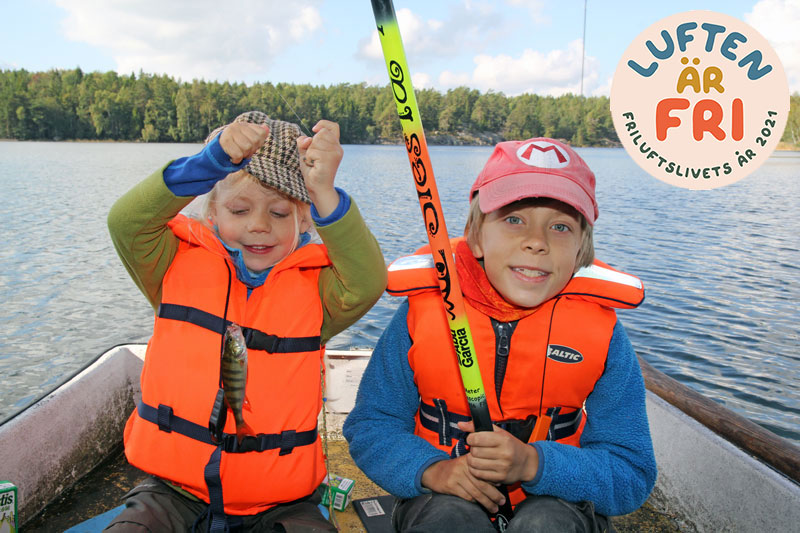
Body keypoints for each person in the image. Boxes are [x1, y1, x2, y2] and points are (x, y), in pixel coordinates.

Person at [343, 137, 657, 532]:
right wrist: (432, 471)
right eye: (513, 218)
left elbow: (631, 472)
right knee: (448, 519)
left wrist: (533, 464)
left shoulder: (604, 333)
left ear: (581, 250)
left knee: (547, 523)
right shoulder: (420, 315)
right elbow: (371, 426)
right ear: (476, 236)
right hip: (444, 498)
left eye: (560, 227)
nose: (536, 242)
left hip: (558, 503)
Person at [106, 111, 386, 531]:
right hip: (171, 494)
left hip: (282, 504)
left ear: (305, 220)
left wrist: (324, 191)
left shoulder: (321, 292)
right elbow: (125, 221)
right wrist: (209, 164)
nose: (258, 225)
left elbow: (369, 280)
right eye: (240, 209)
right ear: (212, 213)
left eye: (279, 213)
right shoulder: (168, 264)